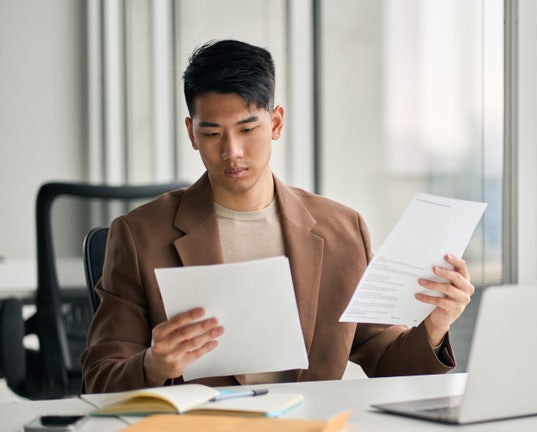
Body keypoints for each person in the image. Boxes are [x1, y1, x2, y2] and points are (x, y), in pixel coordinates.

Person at [81, 39, 475, 393]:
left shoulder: (342, 229)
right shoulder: (139, 235)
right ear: (191, 133)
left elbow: (383, 357)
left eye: (247, 128)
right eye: (212, 133)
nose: (231, 151)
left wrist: (435, 326)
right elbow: (99, 377)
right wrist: (152, 365)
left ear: (275, 123)